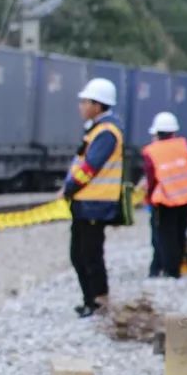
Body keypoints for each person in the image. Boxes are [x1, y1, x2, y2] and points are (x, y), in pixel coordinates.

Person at [62, 77, 124, 318]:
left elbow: (90, 167)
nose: (81, 106)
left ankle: (98, 302)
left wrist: (69, 187)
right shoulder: (98, 129)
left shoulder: (106, 133)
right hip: (86, 204)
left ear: (98, 105)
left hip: (95, 205)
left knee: (90, 254)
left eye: (84, 101)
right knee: (79, 253)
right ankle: (90, 300)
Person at [142, 111, 187, 278]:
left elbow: (151, 178)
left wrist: (148, 198)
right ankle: (173, 266)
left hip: (165, 200)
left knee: (165, 236)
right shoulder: (184, 144)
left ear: (156, 133)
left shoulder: (150, 151)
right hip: (186, 197)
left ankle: (170, 270)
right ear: (173, 132)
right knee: (179, 232)